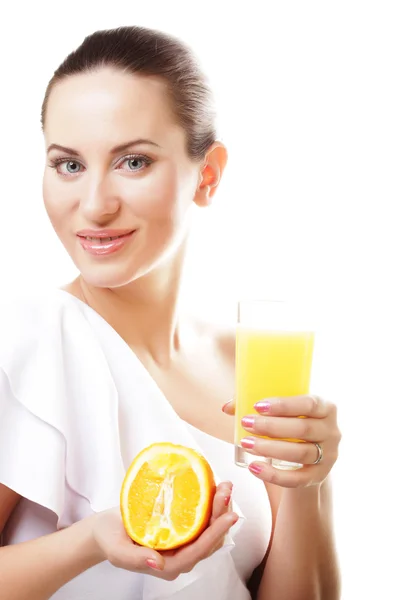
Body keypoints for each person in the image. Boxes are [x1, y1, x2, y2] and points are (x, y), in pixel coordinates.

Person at [0, 25, 341, 600]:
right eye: (68, 165)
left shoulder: (248, 359)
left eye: (132, 162)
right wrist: (90, 541)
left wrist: (308, 483)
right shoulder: (29, 336)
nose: (94, 205)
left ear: (206, 175)